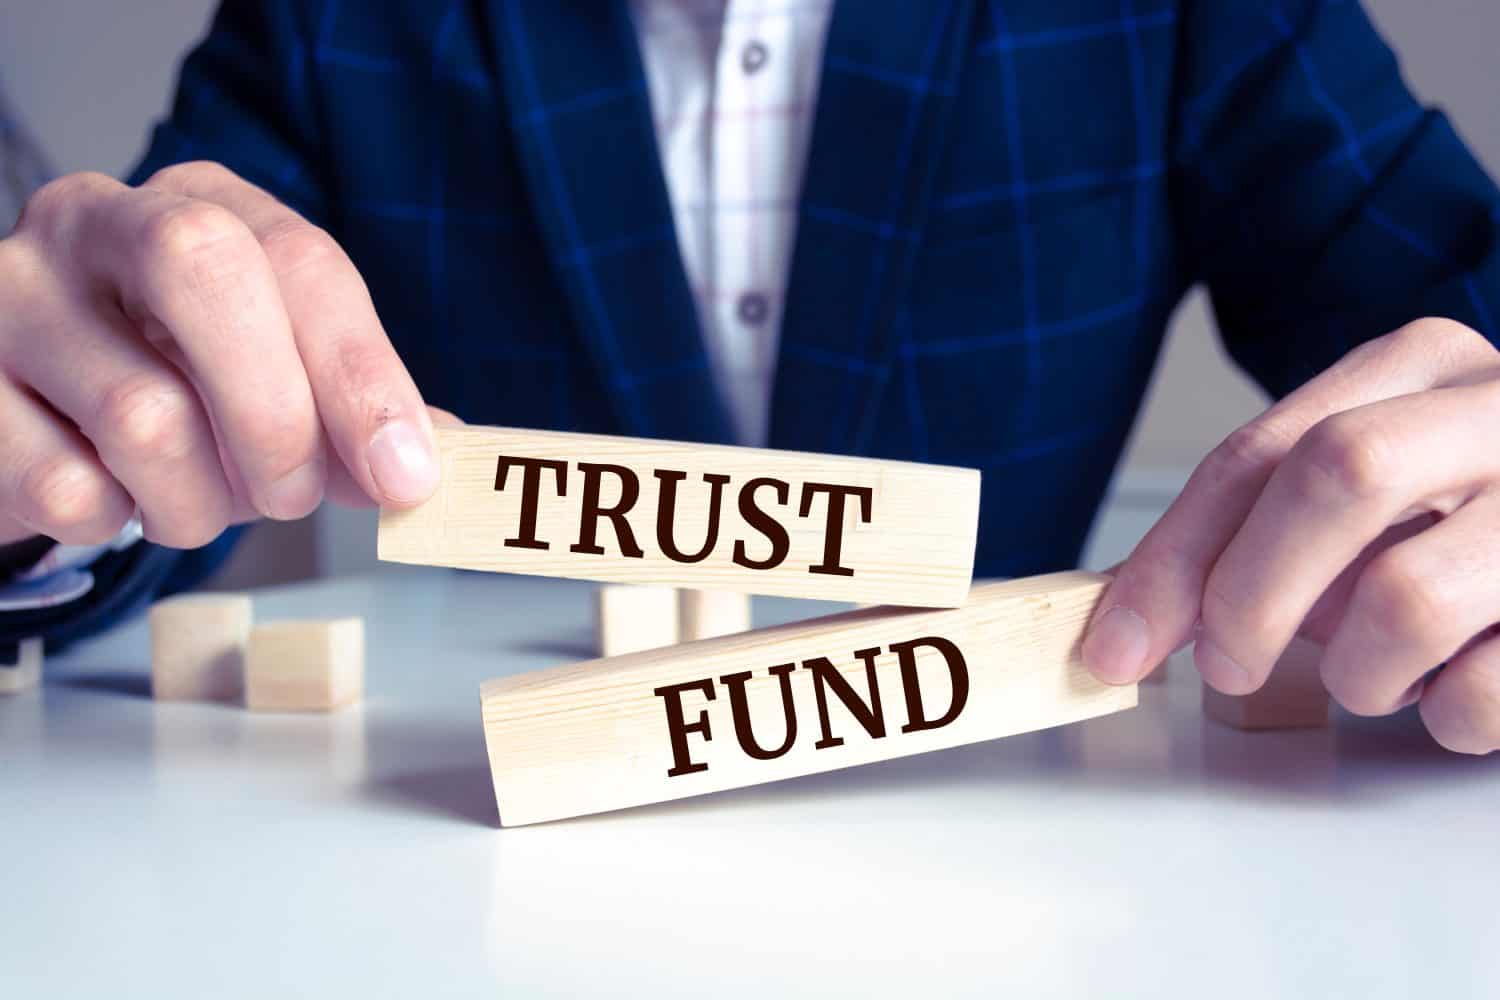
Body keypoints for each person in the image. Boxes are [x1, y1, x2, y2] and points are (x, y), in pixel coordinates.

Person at [1, 0, 1497, 753]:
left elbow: (1463, 296)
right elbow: (136, 403)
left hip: (1018, 869)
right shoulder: (339, 24)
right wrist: (46, 478)